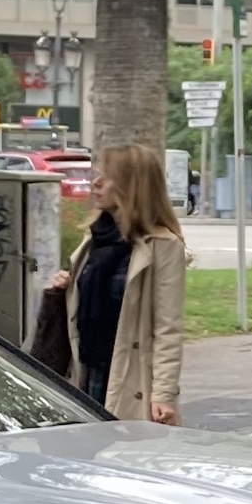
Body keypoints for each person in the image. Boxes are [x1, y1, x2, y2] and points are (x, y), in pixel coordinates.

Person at [49, 142, 188, 423]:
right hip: (84, 372)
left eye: (107, 177)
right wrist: (65, 286)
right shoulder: (96, 238)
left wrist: (163, 393)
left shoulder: (163, 246)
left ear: (131, 186)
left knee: (121, 457)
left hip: (128, 377)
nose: (96, 183)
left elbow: (167, 327)